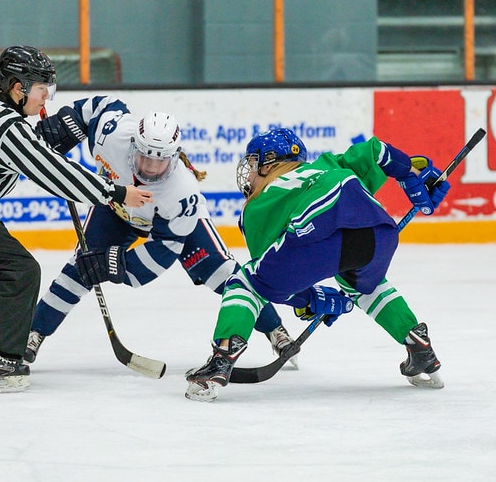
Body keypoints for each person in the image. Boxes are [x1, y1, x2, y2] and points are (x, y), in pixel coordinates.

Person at [0, 45, 153, 394]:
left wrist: (50, 142)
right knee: (19, 270)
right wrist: (116, 193)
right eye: (42, 90)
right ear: (17, 87)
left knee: (6, 270)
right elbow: (54, 173)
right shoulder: (6, 125)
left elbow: (34, 153)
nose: (46, 100)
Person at [23, 95, 299, 368]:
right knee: (78, 270)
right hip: (117, 206)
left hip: (174, 227)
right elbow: (102, 105)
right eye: (146, 158)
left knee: (223, 274)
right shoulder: (113, 136)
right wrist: (66, 124)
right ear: (134, 146)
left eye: (161, 161)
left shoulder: (181, 192)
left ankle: (276, 331)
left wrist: (118, 265)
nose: (152, 168)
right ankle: (32, 334)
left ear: (175, 156)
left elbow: (166, 249)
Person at [185, 128, 450, 402]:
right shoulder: (328, 165)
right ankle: (418, 345)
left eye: (253, 165)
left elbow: (273, 282)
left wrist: (313, 300)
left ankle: (222, 357)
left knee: (246, 283)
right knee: (362, 285)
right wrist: (410, 173)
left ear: (270, 164)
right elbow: (378, 151)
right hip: (379, 231)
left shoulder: (257, 207)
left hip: (315, 230)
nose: (249, 175)